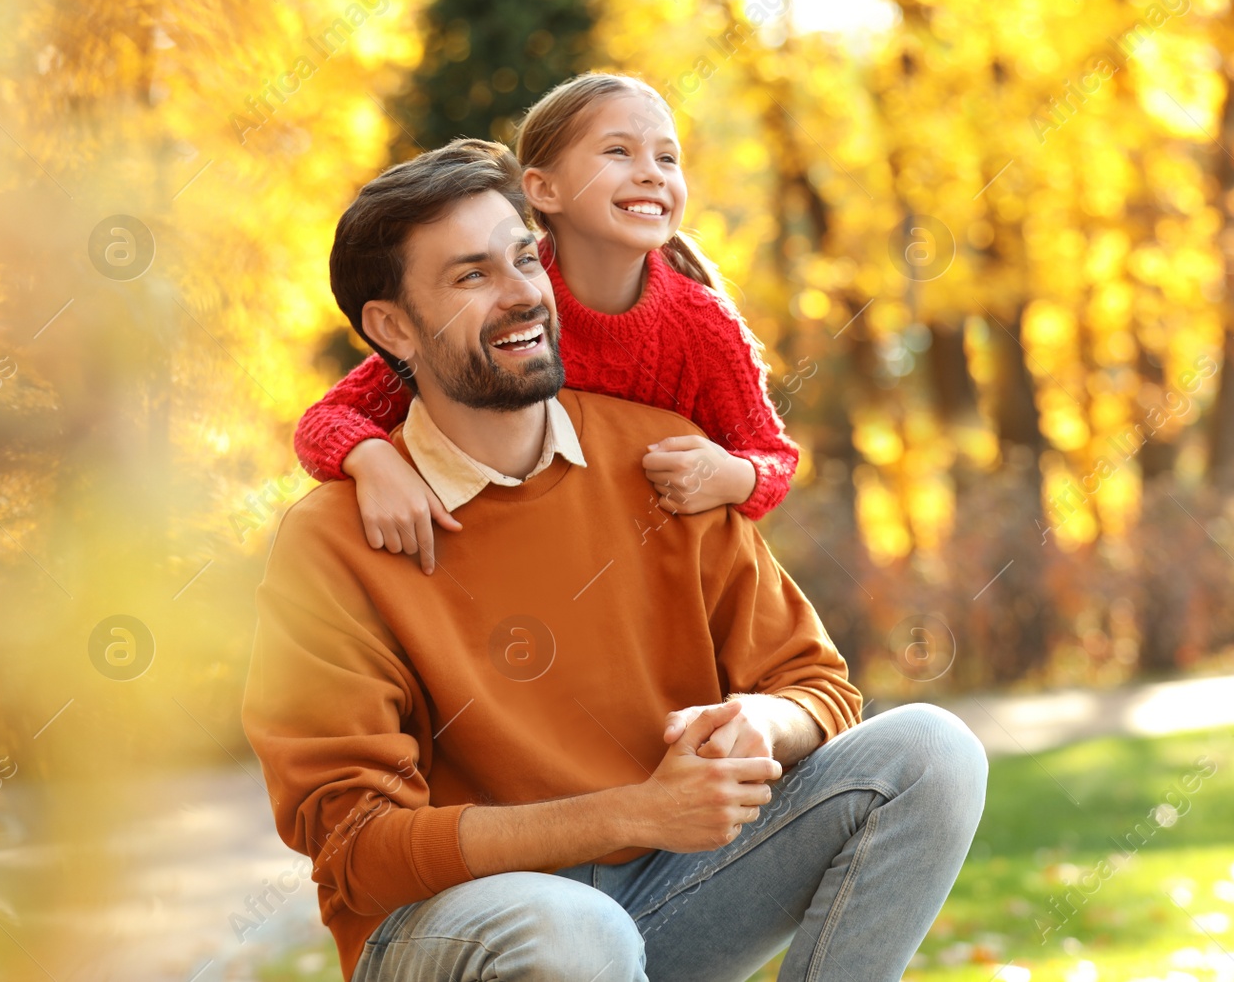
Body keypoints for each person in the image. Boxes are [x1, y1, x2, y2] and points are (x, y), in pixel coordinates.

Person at [241, 137, 988, 982]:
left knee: (931, 750)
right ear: (392, 327)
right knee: (570, 927)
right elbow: (356, 846)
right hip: (459, 926)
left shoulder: (665, 460)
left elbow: (820, 687)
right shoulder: (332, 539)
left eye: (526, 258)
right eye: (471, 275)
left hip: (663, 892)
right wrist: (635, 810)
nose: (524, 294)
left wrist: (758, 723)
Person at [292, 72, 799, 575]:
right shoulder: (502, 307)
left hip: (645, 565)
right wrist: (375, 461)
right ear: (543, 188)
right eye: (618, 152)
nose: (652, 173)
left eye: (667, 157)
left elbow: (772, 454)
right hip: (508, 551)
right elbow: (326, 420)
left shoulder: (703, 327)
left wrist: (736, 477)